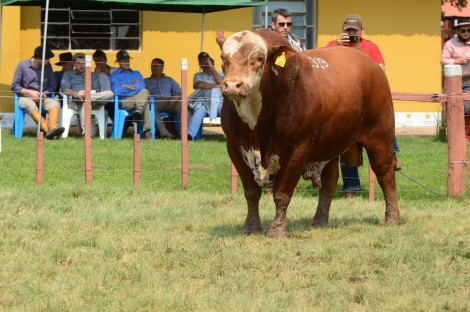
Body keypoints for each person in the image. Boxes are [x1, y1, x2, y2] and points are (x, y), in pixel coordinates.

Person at [327, 14, 401, 199]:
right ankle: (350, 188)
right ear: (342, 30)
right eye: (347, 30)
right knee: (344, 145)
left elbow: (381, 71)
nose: (351, 34)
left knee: (382, 125)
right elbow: (323, 70)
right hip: (343, 103)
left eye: (354, 30)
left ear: (362, 32)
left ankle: (393, 155)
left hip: (368, 102)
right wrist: (336, 45)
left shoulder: (371, 47)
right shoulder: (333, 46)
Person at [11, 45, 65, 139]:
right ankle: (49, 132)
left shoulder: (47, 66)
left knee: (54, 103)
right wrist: (30, 93)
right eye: (47, 59)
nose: (49, 61)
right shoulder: (22, 65)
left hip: (43, 96)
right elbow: (14, 86)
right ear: (39, 59)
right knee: (30, 105)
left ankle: (52, 128)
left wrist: (43, 94)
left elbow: (53, 85)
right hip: (25, 97)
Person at [60, 53, 114, 137]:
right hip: (76, 101)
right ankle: (86, 133)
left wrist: (87, 94)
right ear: (74, 64)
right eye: (78, 63)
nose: (81, 66)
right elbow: (64, 89)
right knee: (86, 101)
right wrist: (76, 93)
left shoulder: (94, 75)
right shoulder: (68, 74)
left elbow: (98, 90)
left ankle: (86, 97)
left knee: (110, 93)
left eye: (83, 63)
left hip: (94, 101)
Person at [110, 50, 152, 140]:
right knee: (145, 103)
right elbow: (116, 90)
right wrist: (133, 87)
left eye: (128, 60)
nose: (127, 62)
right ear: (118, 62)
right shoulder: (114, 75)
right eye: (124, 60)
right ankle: (147, 132)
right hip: (126, 100)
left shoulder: (136, 73)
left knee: (145, 91)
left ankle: (139, 110)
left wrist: (125, 86)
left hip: (138, 99)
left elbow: (142, 86)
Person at [441, 17, 470, 142]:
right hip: (458, 80)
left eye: (469, 31)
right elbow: (443, 60)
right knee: (465, 108)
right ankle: (465, 137)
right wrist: (457, 61)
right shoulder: (450, 44)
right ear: (458, 31)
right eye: (463, 31)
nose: (466, 33)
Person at [187, 52, 224, 141]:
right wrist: (215, 86)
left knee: (225, 111)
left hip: (218, 102)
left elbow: (221, 82)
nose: (204, 63)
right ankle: (190, 135)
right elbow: (199, 84)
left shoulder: (220, 73)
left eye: (206, 61)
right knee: (198, 113)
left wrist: (211, 68)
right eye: (202, 62)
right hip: (203, 103)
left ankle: (232, 135)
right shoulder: (198, 75)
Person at [144, 58, 179, 139]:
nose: (153, 68)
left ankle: (182, 133)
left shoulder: (170, 80)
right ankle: (165, 133)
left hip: (169, 101)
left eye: (155, 66)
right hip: (155, 101)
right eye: (152, 66)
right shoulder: (146, 81)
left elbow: (180, 92)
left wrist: (176, 96)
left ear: (162, 67)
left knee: (182, 103)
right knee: (150, 107)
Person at [93, 49, 117, 126]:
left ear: (105, 60)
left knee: (112, 106)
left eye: (100, 60)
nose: (98, 63)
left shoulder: (116, 70)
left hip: (117, 98)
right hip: (103, 100)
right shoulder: (96, 74)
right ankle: (119, 128)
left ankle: (120, 128)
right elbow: (93, 88)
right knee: (110, 105)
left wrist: (107, 72)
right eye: (96, 61)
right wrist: (95, 75)